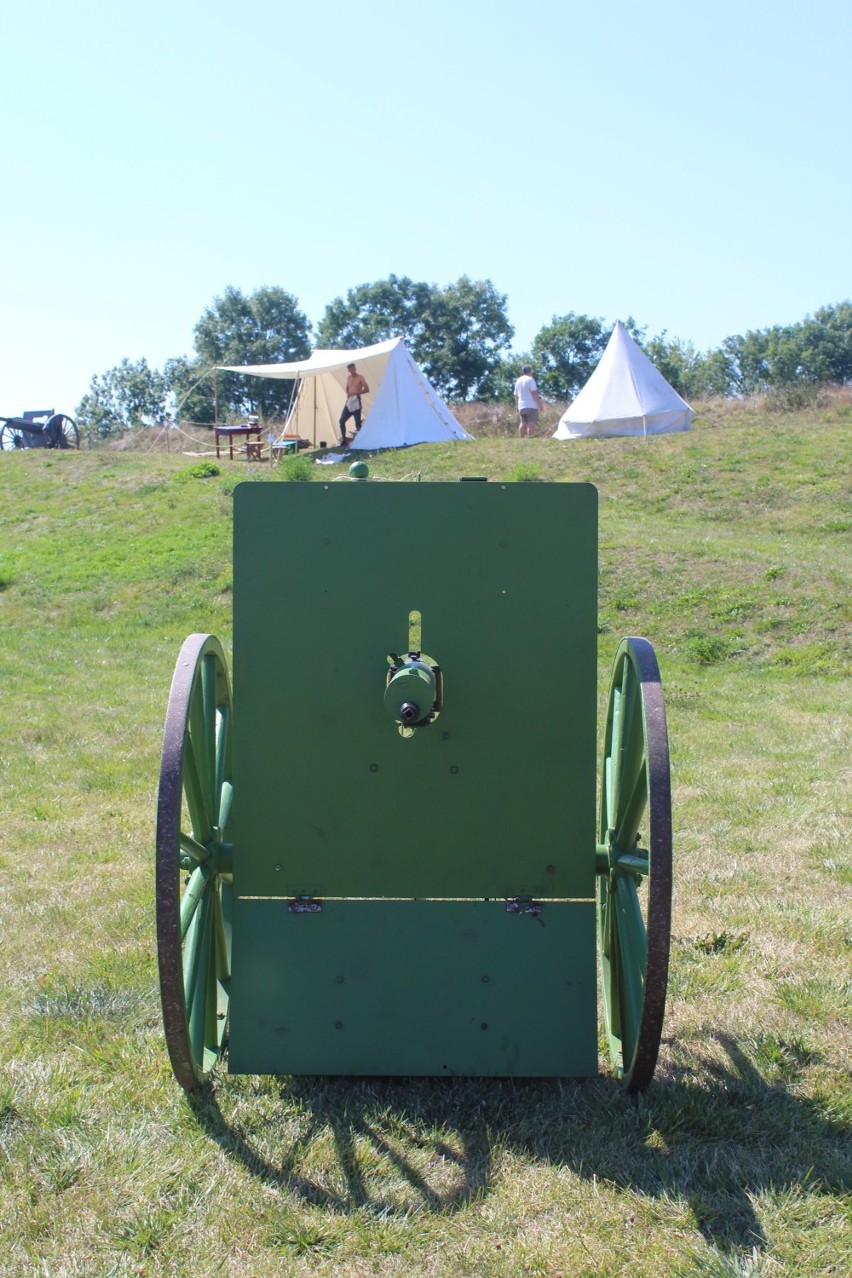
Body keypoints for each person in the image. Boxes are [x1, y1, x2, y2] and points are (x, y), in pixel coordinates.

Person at [339, 363, 370, 445]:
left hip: (356, 400)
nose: (351, 371)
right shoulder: (349, 377)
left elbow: (367, 389)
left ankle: (359, 441)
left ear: (355, 368)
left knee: (357, 422)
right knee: (341, 421)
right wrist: (348, 393)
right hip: (349, 401)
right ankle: (344, 440)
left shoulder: (360, 377)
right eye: (350, 370)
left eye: (352, 369)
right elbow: (347, 387)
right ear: (348, 370)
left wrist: (357, 392)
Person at [514, 364, 543, 437]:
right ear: (530, 371)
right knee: (531, 422)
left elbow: (516, 395)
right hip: (531, 405)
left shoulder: (518, 380)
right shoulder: (530, 379)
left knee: (523, 422)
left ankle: (521, 438)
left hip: (521, 405)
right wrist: (540, 404)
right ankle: (531, 437)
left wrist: (517, 405)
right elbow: (534, 393)